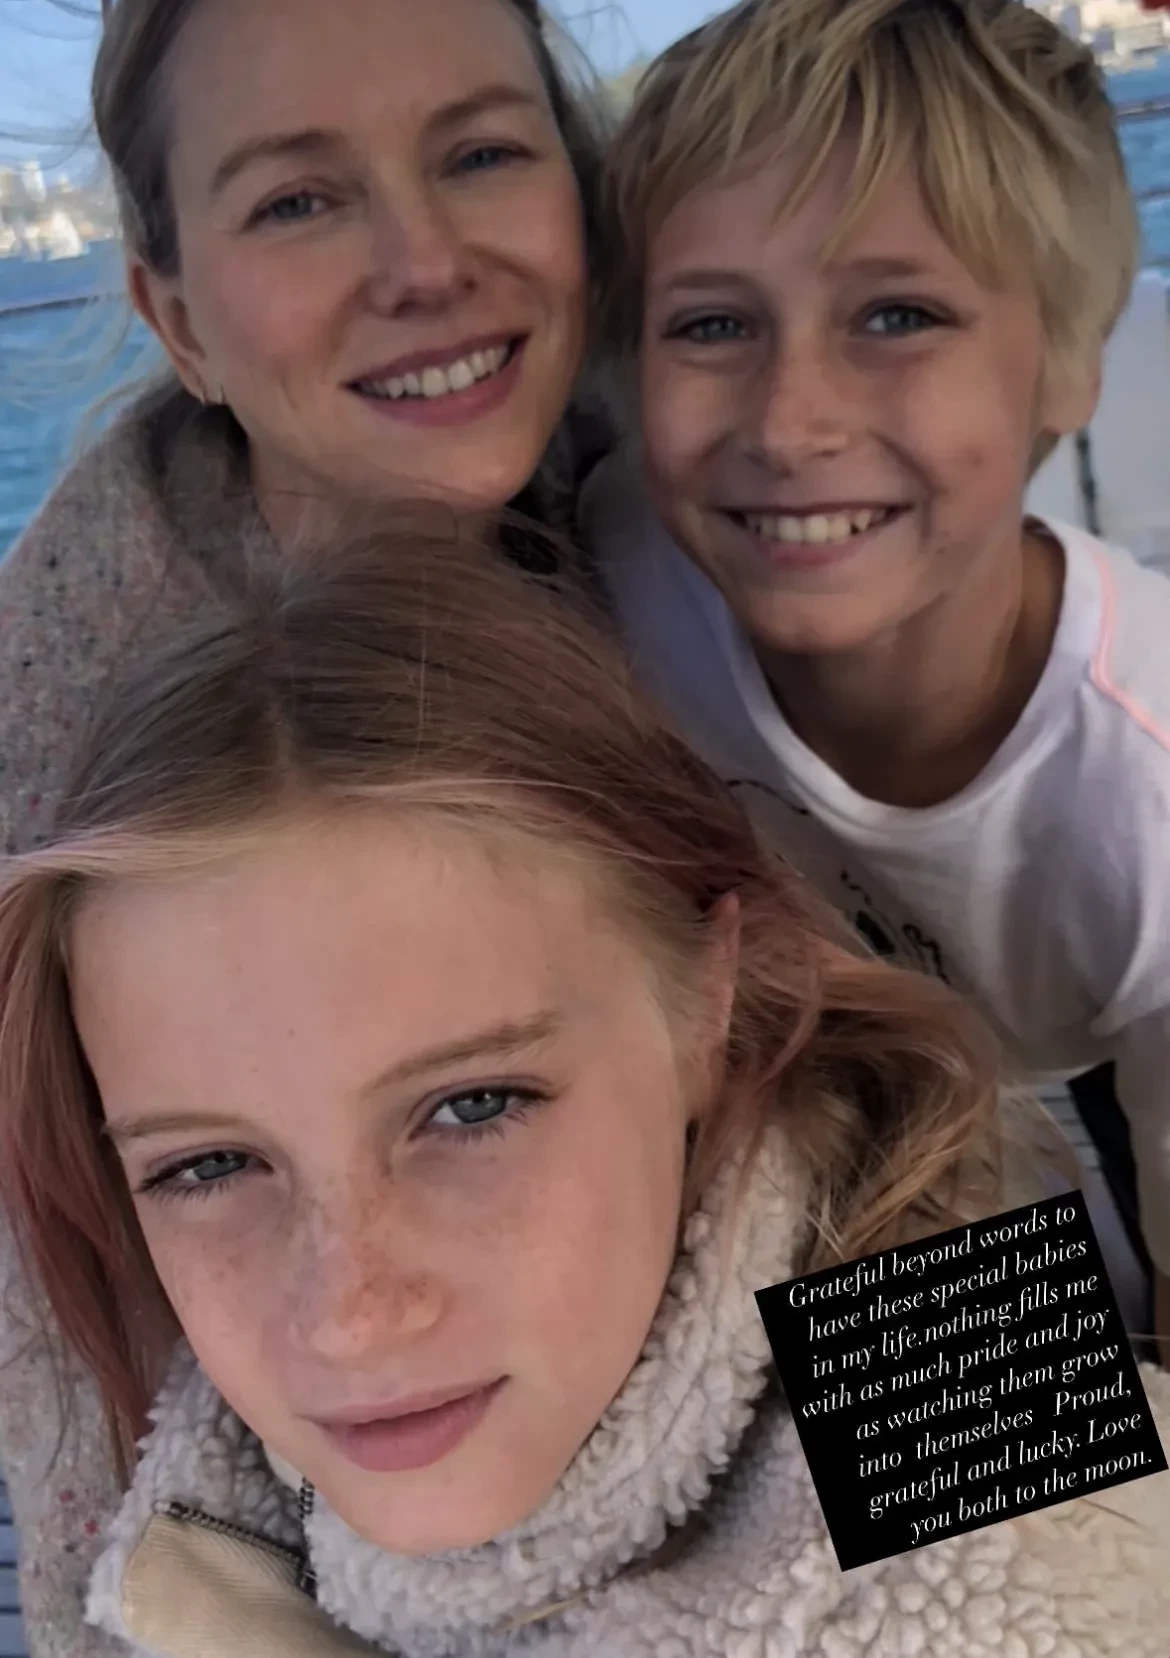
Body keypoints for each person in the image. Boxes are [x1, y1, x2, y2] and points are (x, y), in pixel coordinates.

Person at [0, 519, 1166, 1657]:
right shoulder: (212, 1506)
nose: (349, 1316)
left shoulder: (1008, 1506)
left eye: (473, 1106)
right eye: (209, 1165)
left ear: (706, 1004)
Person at [0, 0, 613, 1650]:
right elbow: (98, 1441)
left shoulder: (702, 506)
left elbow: (894, 1076)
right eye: (296, 201)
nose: (426, 263)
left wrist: (1025, 1542)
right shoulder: (91, 794)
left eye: (483, 154)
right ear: (177, 319)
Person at [580, 0, 1170, 1362]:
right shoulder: (607, 566)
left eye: (896, 315)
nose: (790, 422)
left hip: (1067, 1047)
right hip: (820, 1075)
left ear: (1068, 363)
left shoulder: (1146, 796)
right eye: (711, 325)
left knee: (1044, 1439)